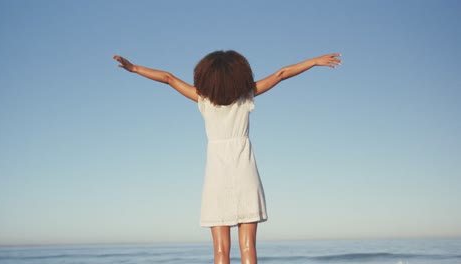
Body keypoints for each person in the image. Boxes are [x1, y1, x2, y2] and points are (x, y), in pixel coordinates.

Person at [113, 51, 341, 264]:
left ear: (206, 77)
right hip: (244, 170)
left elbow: (168, 78)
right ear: (239, 74)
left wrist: (134, 68)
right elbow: (281, 74)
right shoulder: (246, 96)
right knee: (248, 247)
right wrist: (313, 62)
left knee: (220, 250)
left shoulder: (203, 100)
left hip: (216, 174)